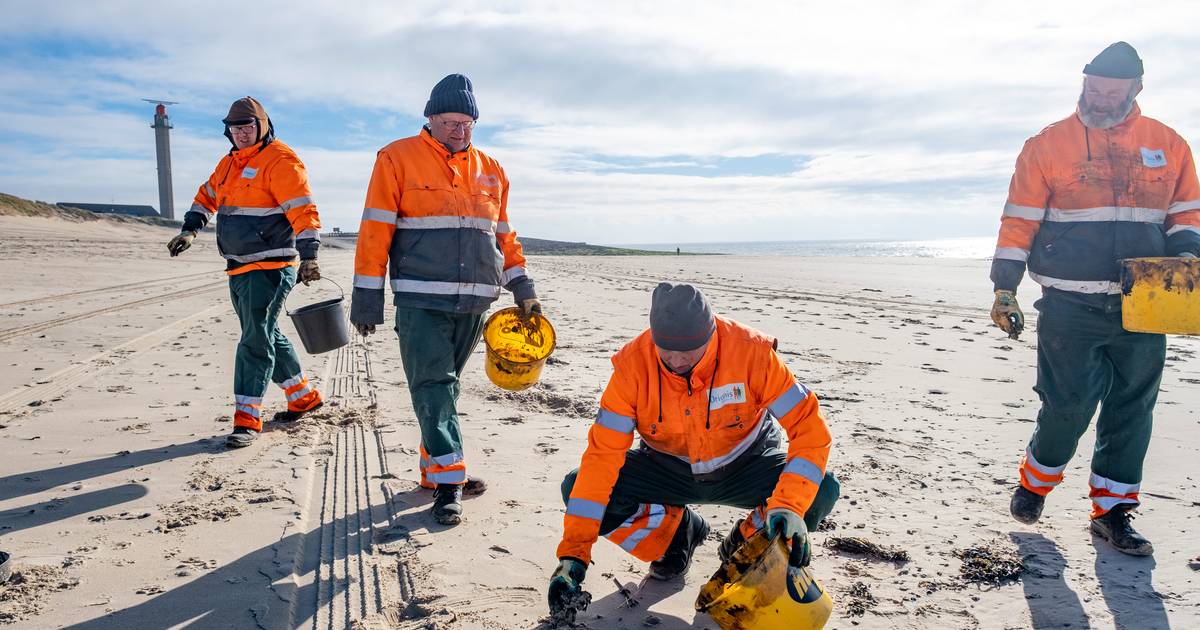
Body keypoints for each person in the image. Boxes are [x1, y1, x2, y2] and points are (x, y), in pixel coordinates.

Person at [990, 42, 1200, 555]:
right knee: (1068, 406)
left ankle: (1113, 512)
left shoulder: (1168, 144)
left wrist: (1187, 253)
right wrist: (1004, 287)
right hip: (1069, 302)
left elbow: (1187, 212)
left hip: (1146, 302)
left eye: (1110, 90)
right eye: (1092, 88)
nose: (1099, 98)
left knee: (1132, 408)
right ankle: (1035, 484)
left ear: (1136, 88)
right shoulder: (1047, 145)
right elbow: (1019, 220)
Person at [548, 283, 839, 616]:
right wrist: (573, 557)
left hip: (746, 465)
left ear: (711, 334)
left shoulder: (752, 353)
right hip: (666, 469)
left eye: (689, 350)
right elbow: (602, 459)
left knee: (821, 489)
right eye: (666, 350)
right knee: (577, 486)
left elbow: (809, 426)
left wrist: (789, 506)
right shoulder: (631, 367)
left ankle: (746, 545)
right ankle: (675, 537)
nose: (677, 360)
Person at [350, 74, 539, 525]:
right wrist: (366, 297)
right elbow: (376, 228)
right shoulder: (396, 158)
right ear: (430, 118)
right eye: (451, 121)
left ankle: (434, 471)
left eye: (467, 122)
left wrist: (523, 287)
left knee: (445, 387)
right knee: (432, 384)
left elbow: (504, 235)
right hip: (420, 298)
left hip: (475, 302)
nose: (459, 130)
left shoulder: (492, 168)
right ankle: (451, 481)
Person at [166, 96, 325, 448]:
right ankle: (302, 397)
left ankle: (247, 416)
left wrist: (310, 254)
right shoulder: (228, 165)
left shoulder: (281, 161)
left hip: (271, 265)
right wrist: (190, 229)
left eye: (248, 127)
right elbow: (206, 196)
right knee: (263, 331)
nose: (241, 134)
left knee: (254, 338)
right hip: (238, 266)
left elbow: (304, 210)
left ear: (262, 127)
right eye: (235, 128)